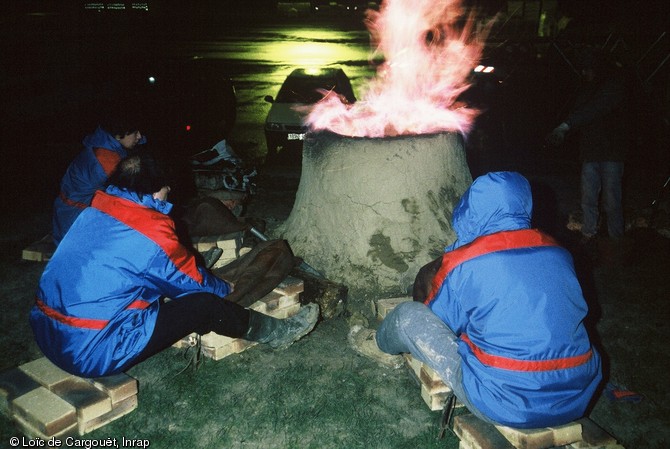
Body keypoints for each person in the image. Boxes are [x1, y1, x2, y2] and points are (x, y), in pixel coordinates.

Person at [30, 153, 319, 378]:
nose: (170, 191)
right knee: (203, 305)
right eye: (167, 187)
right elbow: (191, 283)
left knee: (159, 285)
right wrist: (220, 285)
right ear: (156, 191)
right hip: (91, 350)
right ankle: (277, 333)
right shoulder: (151, 231)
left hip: (48, 332)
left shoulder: (96, 211)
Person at [350, 171, 602, 429]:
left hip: (504, 400)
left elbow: (435, 320)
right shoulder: (560, 252)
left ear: (470, 208)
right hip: (578, 393)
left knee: (407, 316)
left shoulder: (464, 262)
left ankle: (376, 344)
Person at [547, 46, 630, 243]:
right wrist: (564, 129)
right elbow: (581, 112)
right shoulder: (586, 88)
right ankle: (589, 232)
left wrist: (565, 125)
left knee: (611, 200)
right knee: (588, 198)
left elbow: (595, 109)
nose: (584, 73)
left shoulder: (614, 84)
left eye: (587, 69)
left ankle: (615, 238)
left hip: (612, 152)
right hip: (590, 151)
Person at [52, 117, 146, 245]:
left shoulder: (103, 140)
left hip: (65, 210)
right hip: (75, 219)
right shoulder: (106, 159)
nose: (139, 136)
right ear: (118, 136)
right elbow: (127, 195)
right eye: (135, 133)